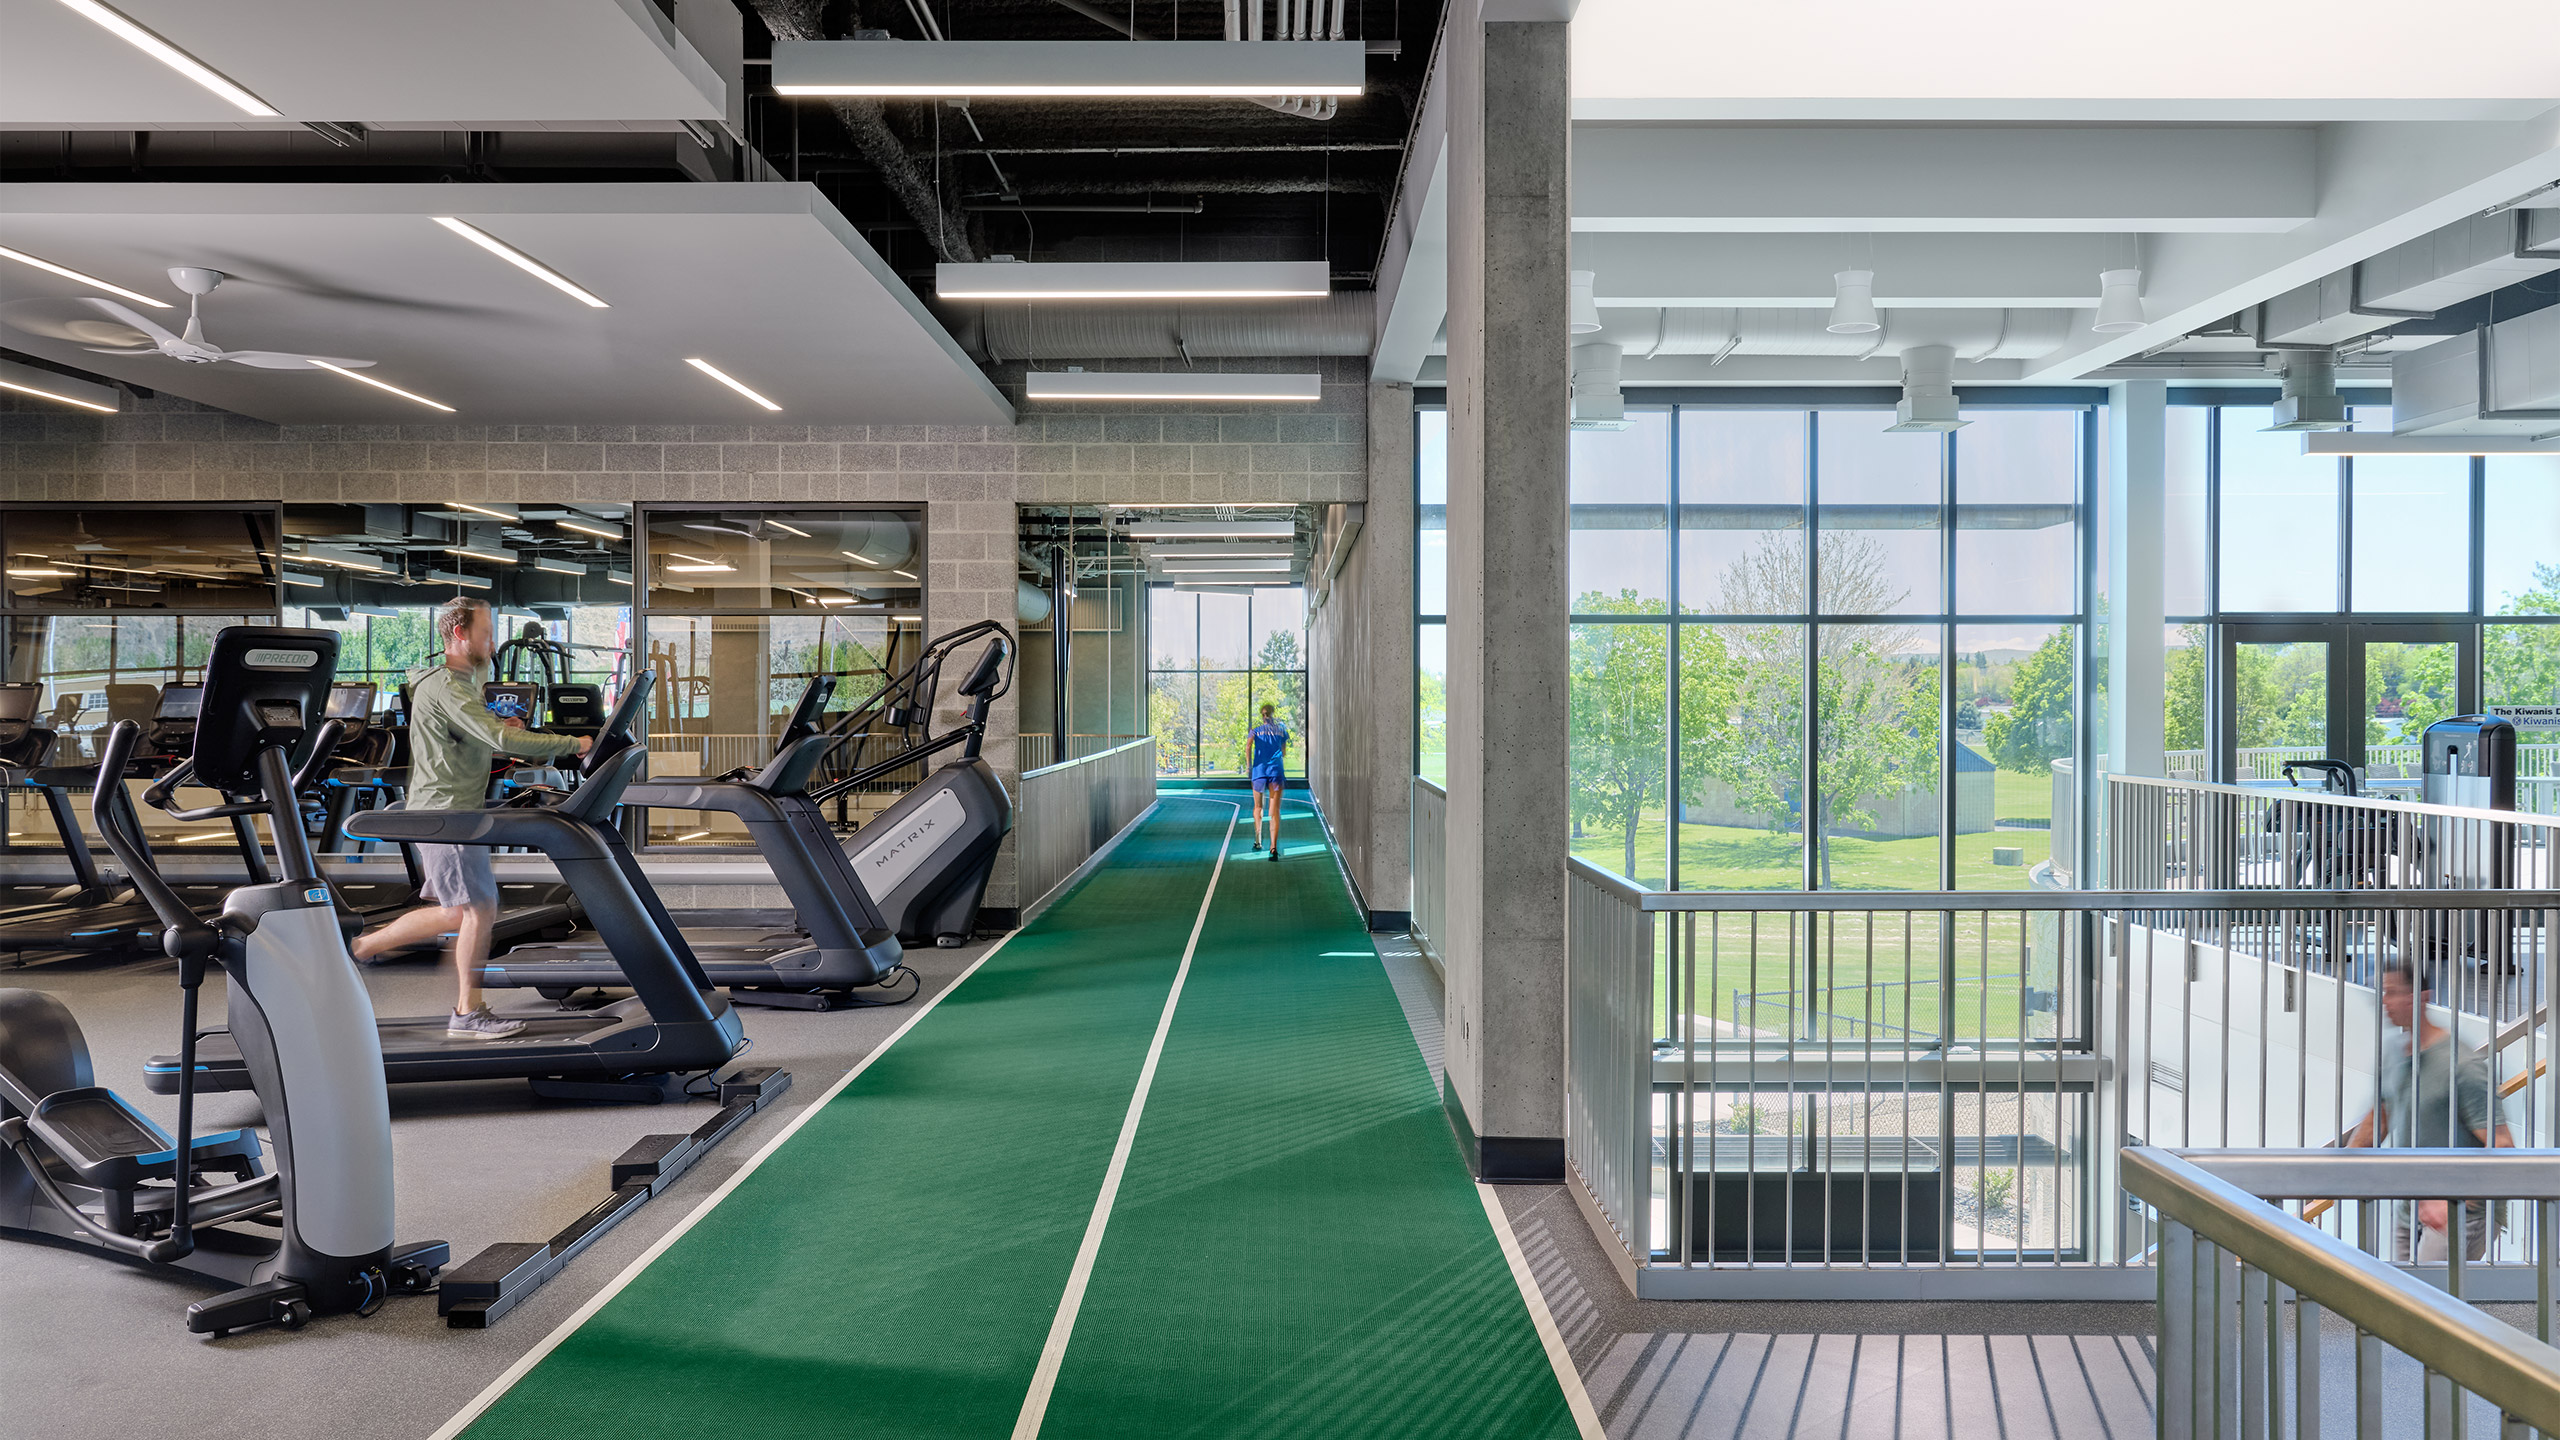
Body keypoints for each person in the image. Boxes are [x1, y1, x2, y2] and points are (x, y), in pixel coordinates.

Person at [351, 596, 590, 1036]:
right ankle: (466, 1012)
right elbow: (500, 739)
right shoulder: (447, 685)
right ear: (460, 634)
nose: (492, 643)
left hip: (455, 810)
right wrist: (574, 743)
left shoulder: (463, 682)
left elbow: (480, 736)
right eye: (485, 633)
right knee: (477, 909)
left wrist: (501, 732)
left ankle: (361, 947)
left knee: (458, 912)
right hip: (449, 813)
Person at [2343, 954, 2514, 1262]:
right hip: (2413, 1208)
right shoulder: (2394, 1053)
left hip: (2462, 1213)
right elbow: (2379, 1119)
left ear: (2421, 997)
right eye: (2382, 992)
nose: (2384, 1002)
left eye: (2392, 992)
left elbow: (2501, 1146)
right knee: (2399, 1291)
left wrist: (2452, 1200)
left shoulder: (2462, 1065)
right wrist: (2328, 1175)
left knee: (2430, 1291)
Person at [1249, 702, 1288, 861]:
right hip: (1275, 771)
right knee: (1274, 810)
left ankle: (1258, 839)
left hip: (1259, 771)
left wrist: (1249, 766)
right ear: (1273, 714)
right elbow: (1284, 752)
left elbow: (1248, 747)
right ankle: (1273, 848)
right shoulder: (1281, 730)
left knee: (1258, 806)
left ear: (1263, 715)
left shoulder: (1255, 731)